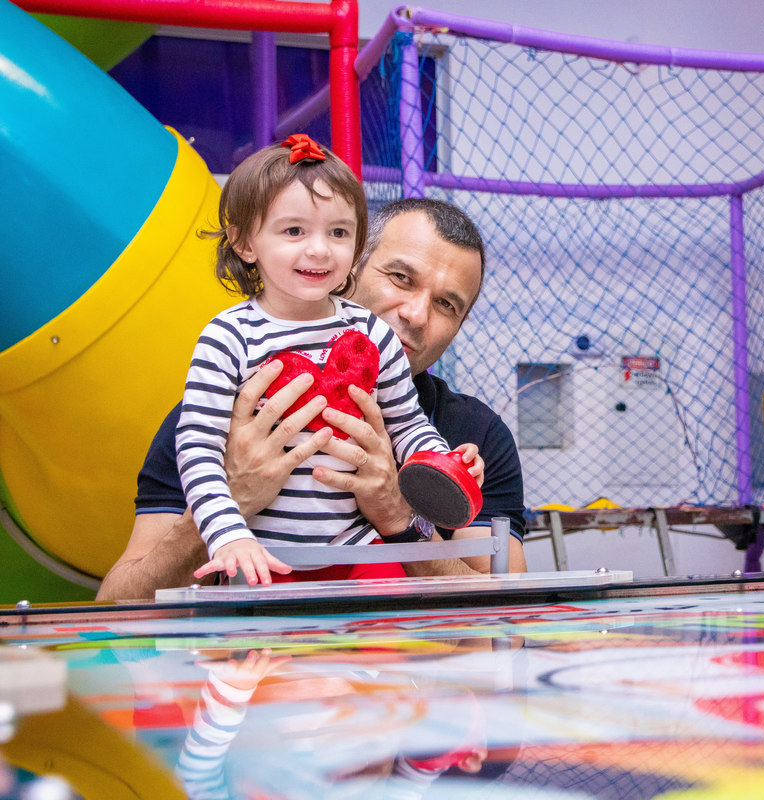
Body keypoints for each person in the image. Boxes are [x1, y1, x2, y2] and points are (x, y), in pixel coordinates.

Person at [96, 196, 527, 601]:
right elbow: (117, 604)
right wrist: (230, 498)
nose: (416, 314)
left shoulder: (475, 434)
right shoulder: (223, 408)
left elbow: (507, 617)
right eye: (400, 278)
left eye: (447, 304)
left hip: (392, 652)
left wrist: (399, 516)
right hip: (253, 644)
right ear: (348, 268)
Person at [176, 134, 482, 586]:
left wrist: (444, 461)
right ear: (244, 243)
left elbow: (407, 424)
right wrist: (227, 534)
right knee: (256, 633)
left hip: (357, 546)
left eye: (338, 232)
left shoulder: (372, 333)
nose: (320, 249)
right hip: (261, 552)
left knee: (392, 628)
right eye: (294, 231)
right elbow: (198, 448)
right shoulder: (228, 337)